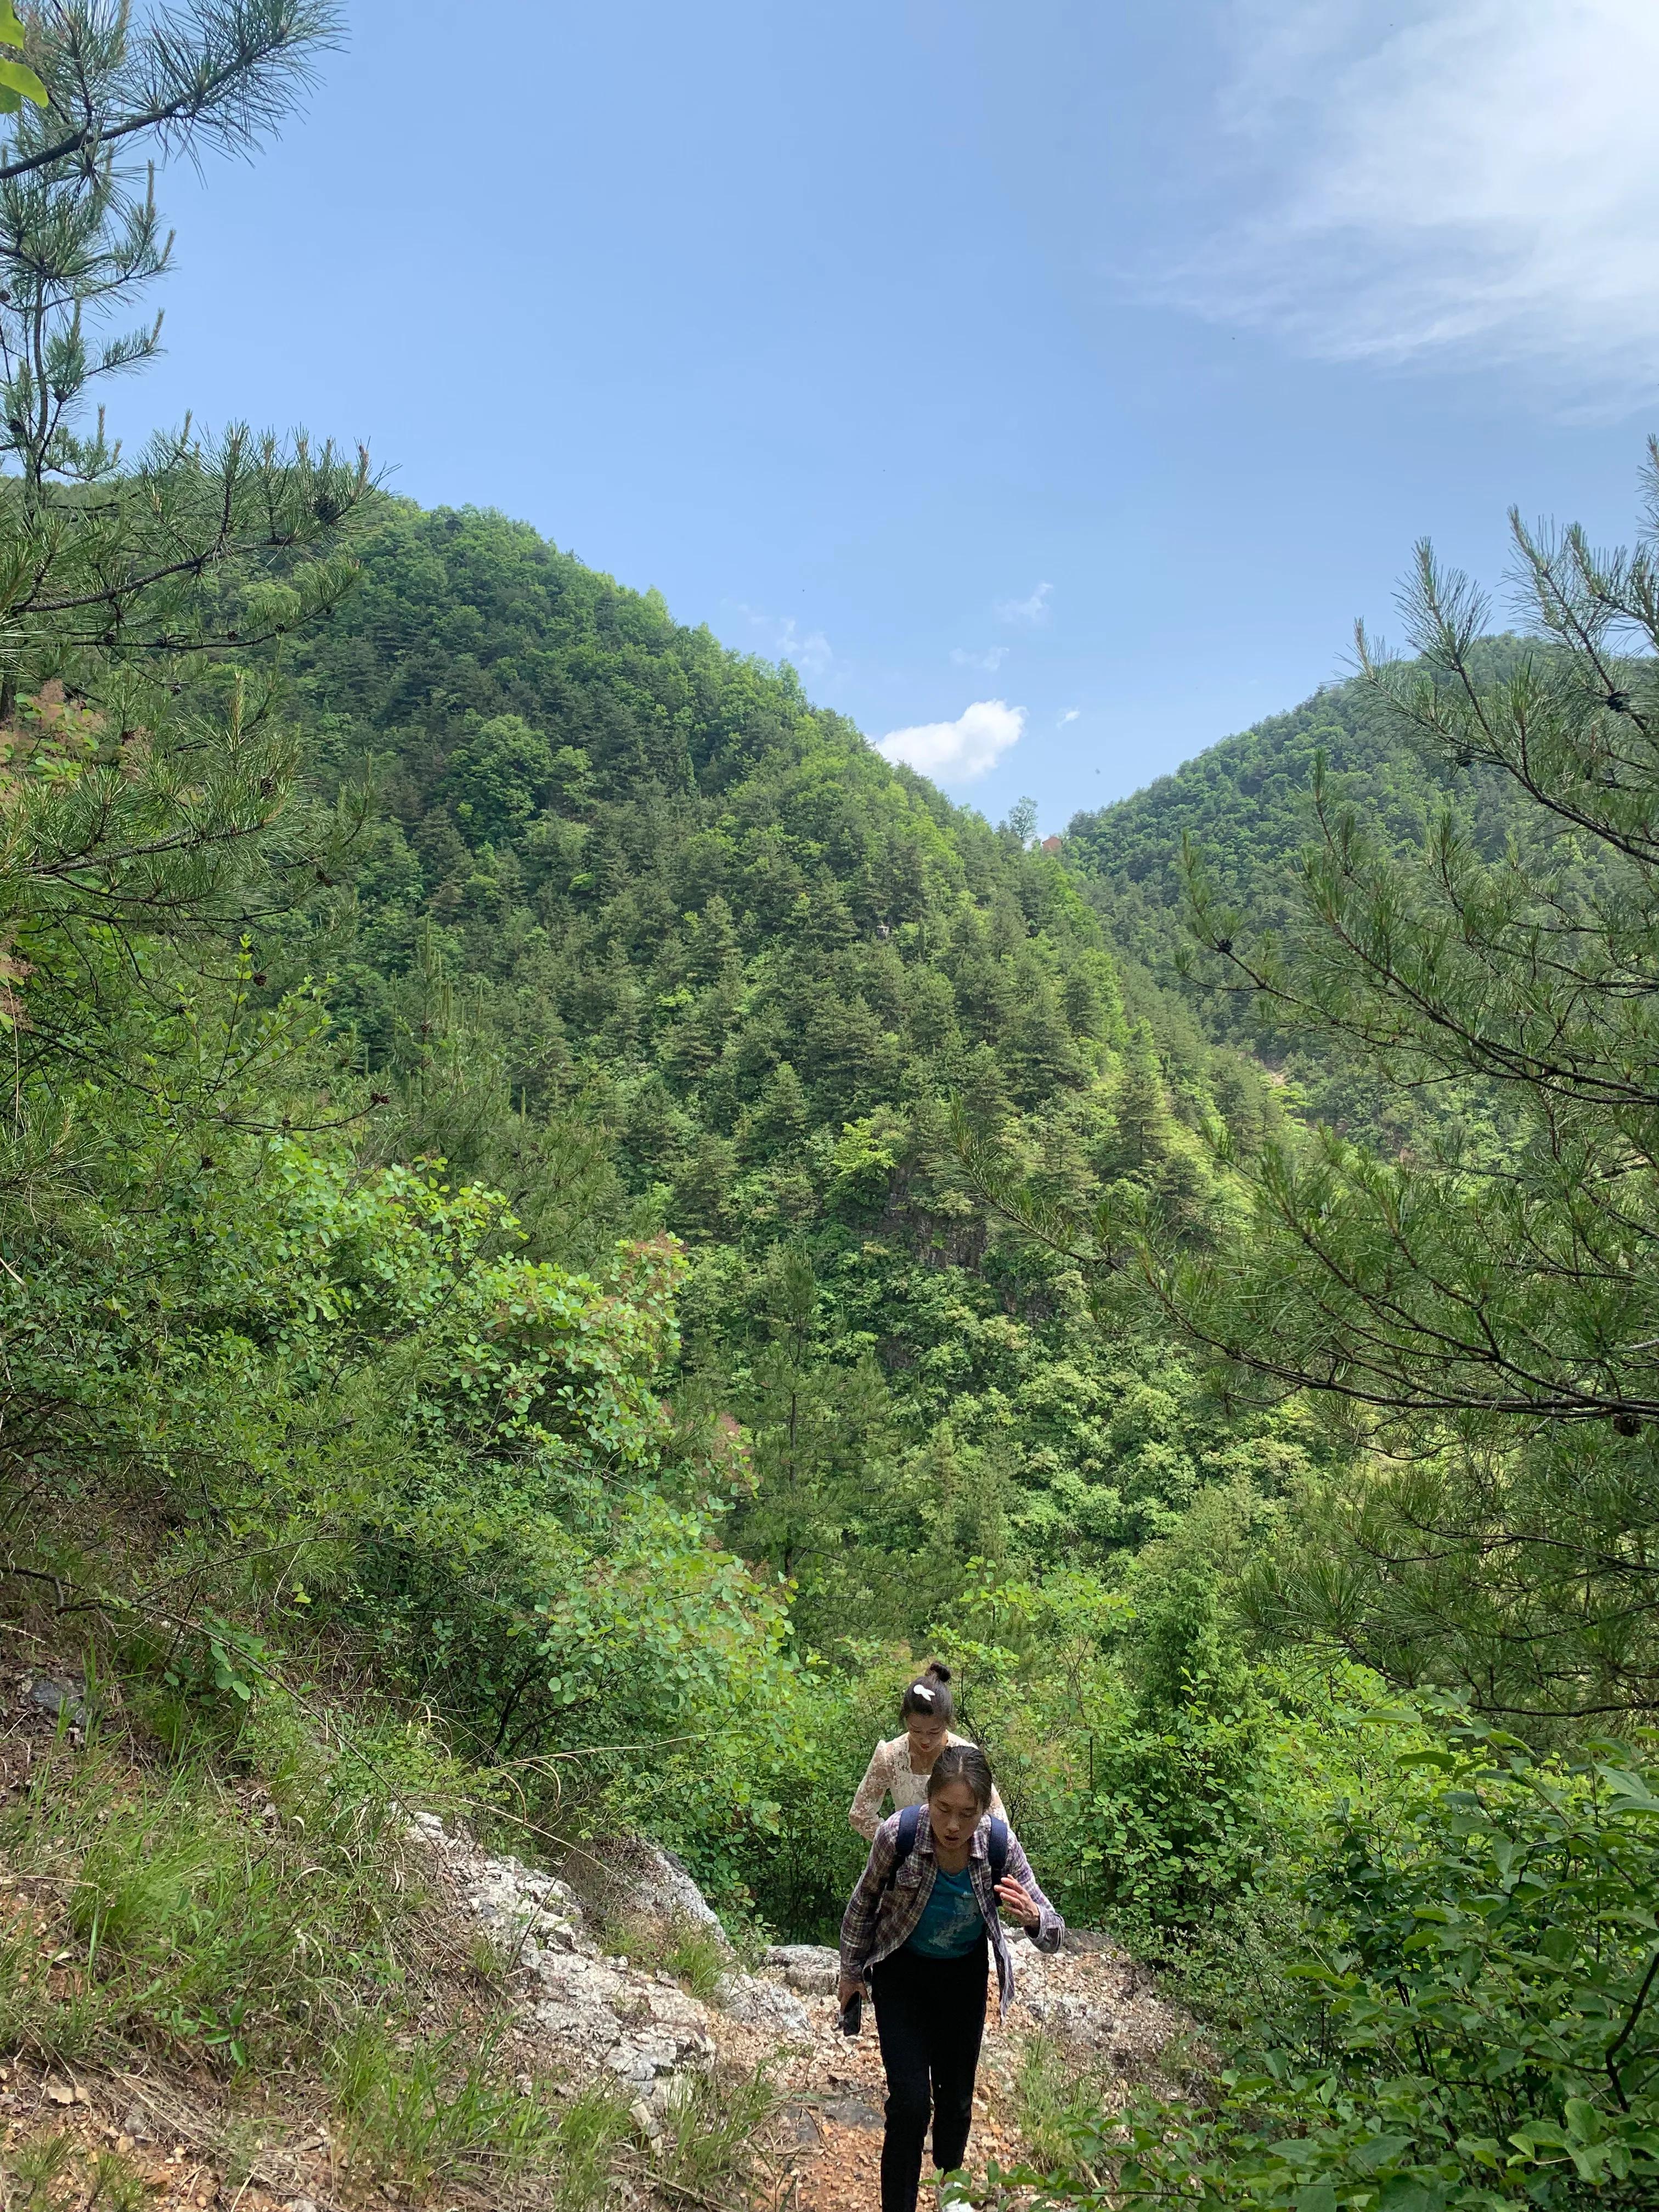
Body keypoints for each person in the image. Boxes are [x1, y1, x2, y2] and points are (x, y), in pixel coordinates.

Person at [839, 1743, 1063, 2212]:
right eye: (943, 1809)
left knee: (957, 2097)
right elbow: (863, 1903)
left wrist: (1033, 1919)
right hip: (902, 1971)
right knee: (910, 2103)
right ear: (928, 1798)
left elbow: (1052, 1931)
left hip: (962, 1977)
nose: (954, 1825)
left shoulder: (999, 1845)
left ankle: (949, 2189)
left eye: (967, 1812)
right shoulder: (897, 1835)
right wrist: (851, 1972)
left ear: (984, 1809)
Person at [849, 1662, 1006, 1841]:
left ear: (947, 1723)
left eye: (934, 1732)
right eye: (916, 1730)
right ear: (905, 1719)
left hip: (958, 1855)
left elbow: (998, 1820)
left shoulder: (965, 1756)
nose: (925, 1740)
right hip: (908, 1859)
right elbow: (860, 1815)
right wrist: (895, 1842)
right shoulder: (890, 1756)